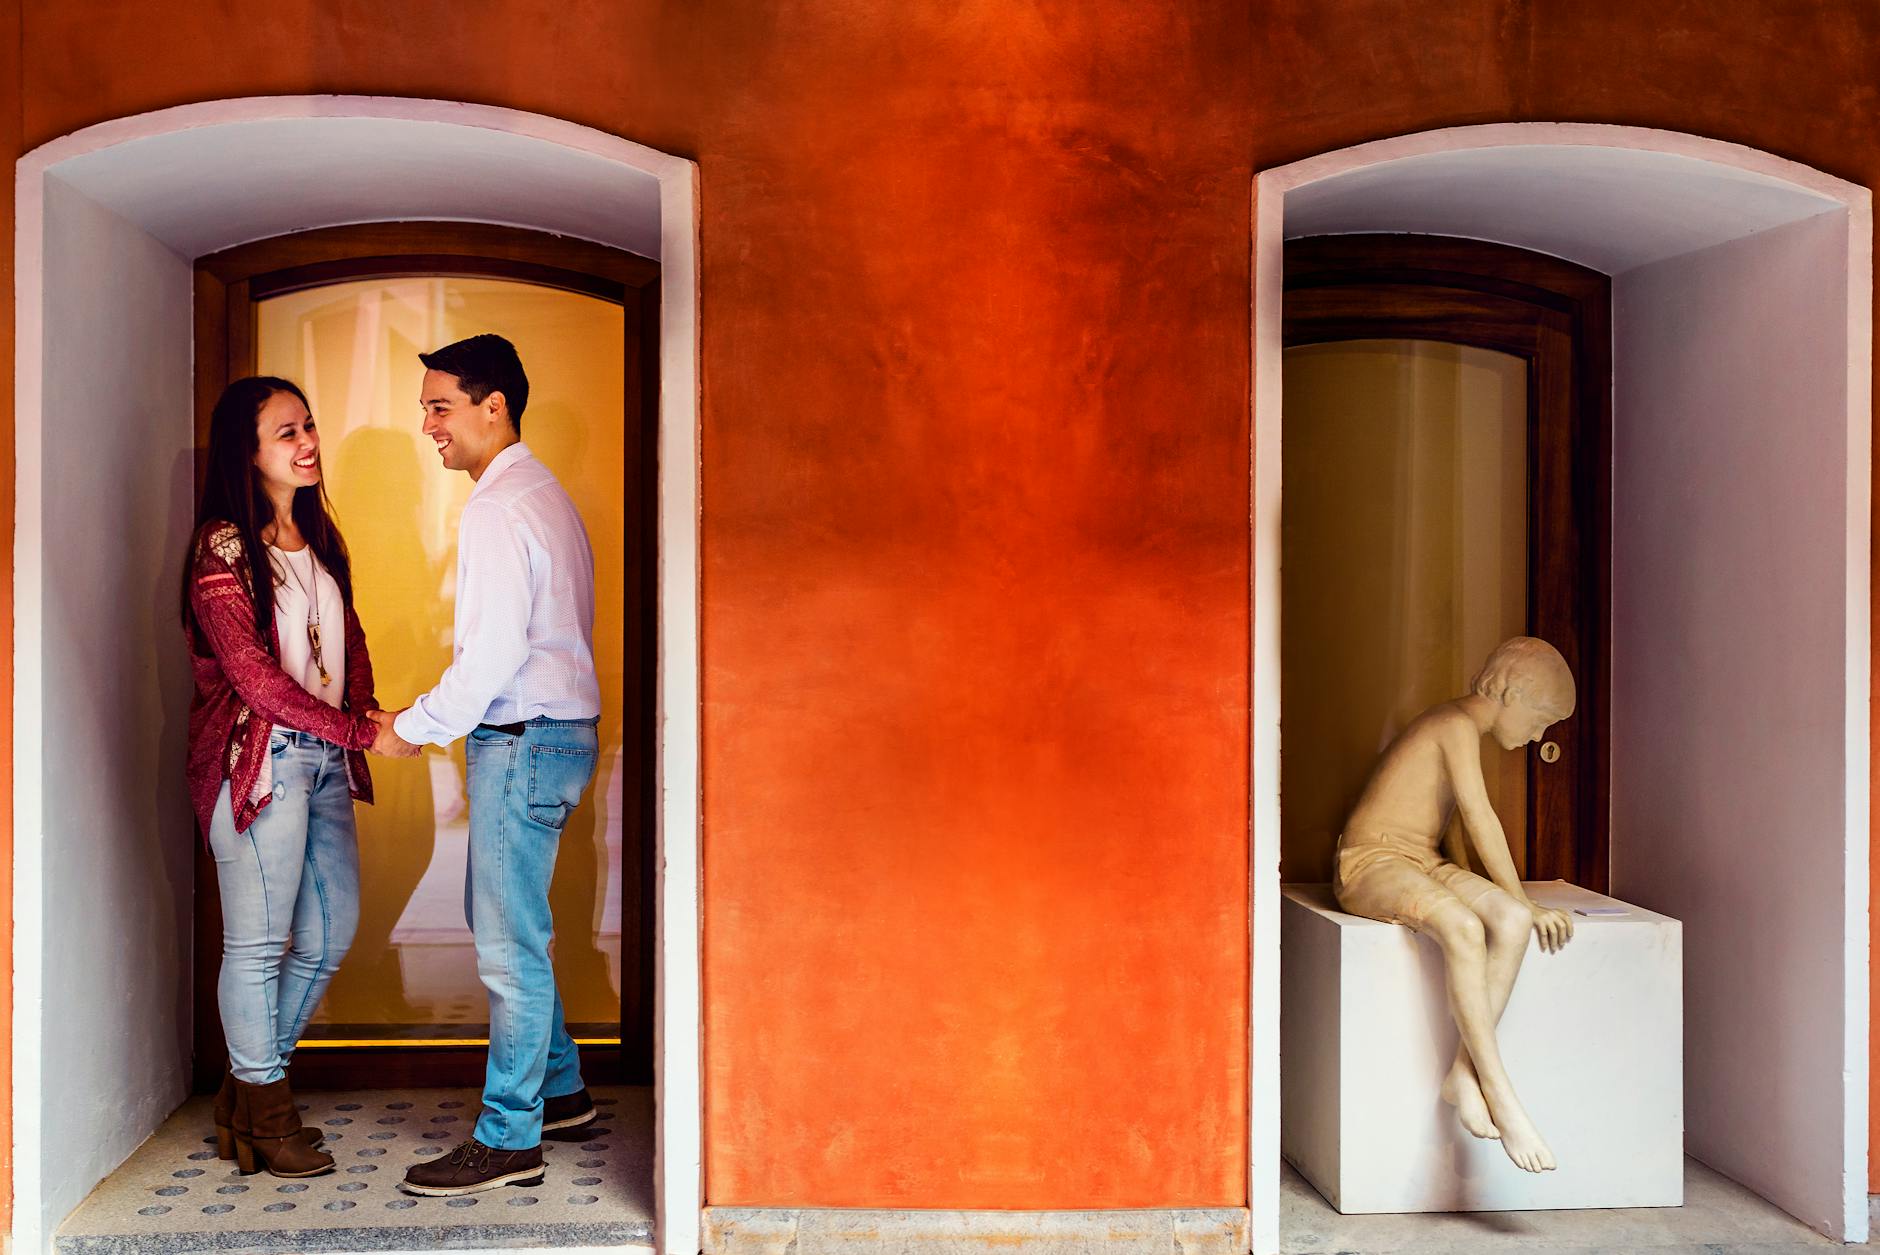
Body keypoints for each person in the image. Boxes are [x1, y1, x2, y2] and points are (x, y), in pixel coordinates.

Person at [372, 334, 604, 1197]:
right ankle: (563, 1087)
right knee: (506, 920)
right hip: (551, 734)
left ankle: (511, 1138)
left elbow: (496, 652)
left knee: (508, 947)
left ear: (492, 405)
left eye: (440, 406)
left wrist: (415, 726)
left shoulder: (500, 507)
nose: (426, 423)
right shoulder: (542, 492)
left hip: (527, 737)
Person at [183, 376, 391, 1178]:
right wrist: (356, 727)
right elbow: (252, 675)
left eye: (309, 426)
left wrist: (364, 712)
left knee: (330, 932)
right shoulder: (222, 548)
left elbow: (351, 640)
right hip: (259, 764)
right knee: (260, 944)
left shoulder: (318, 537)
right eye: (286, 432)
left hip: (326, 761)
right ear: (248, 449)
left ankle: (246, 1089)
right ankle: (268, 1110)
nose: (307, 443)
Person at [1332, 636, 1577, 1173]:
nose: (1539, 736)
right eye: (1542, 721)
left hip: (1421, 859)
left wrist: (1515, 905)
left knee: (1509, 922)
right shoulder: (1455, 725)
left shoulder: (1464, 730)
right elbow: (1481, 815)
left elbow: (1458, 828)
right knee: (1464, 927)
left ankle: (1462, 1075)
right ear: (1513, 692)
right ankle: (1500, 1092)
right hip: (1372, 863)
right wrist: (1523, 898)